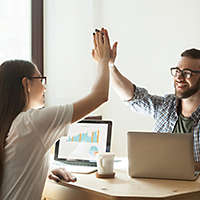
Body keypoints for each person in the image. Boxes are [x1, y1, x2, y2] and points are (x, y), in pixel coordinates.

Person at [0, 28, 113, 200]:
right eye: (41, 79)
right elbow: (100, 96)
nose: (45, 87)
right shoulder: (31, 122)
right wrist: (104, 60)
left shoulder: (12, 123)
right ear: (27, 84)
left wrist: (44, 169)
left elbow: (14, 166)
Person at [92, 41, 200, 171]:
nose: (179, 77)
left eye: (187, 73)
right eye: (177, 71)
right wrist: (110, 65)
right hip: (160, 183)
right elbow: (133, 97)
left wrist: (182, 166)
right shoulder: (167, 105)